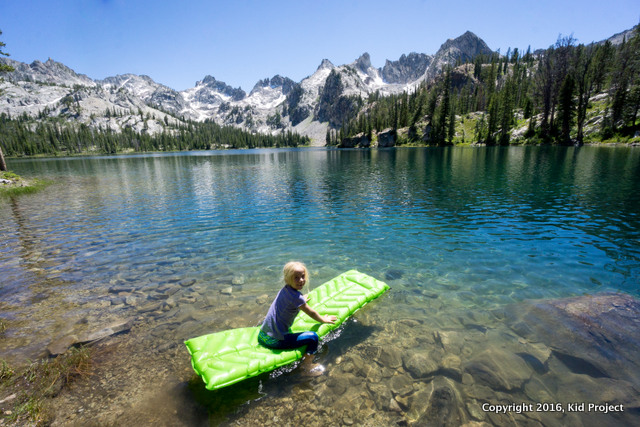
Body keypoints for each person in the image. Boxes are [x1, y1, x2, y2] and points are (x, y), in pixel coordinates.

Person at [258, 261, 337, 374]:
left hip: (262, 335)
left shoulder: (284, 290)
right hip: (274, 341)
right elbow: (312, 313)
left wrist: (301, 300)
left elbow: (291, 301)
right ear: (287, 279)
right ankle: (307, 366)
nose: (301, 280)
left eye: (303, 276)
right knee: (313, 337)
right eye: (296, 278)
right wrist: (323, 319)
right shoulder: (297, 298)